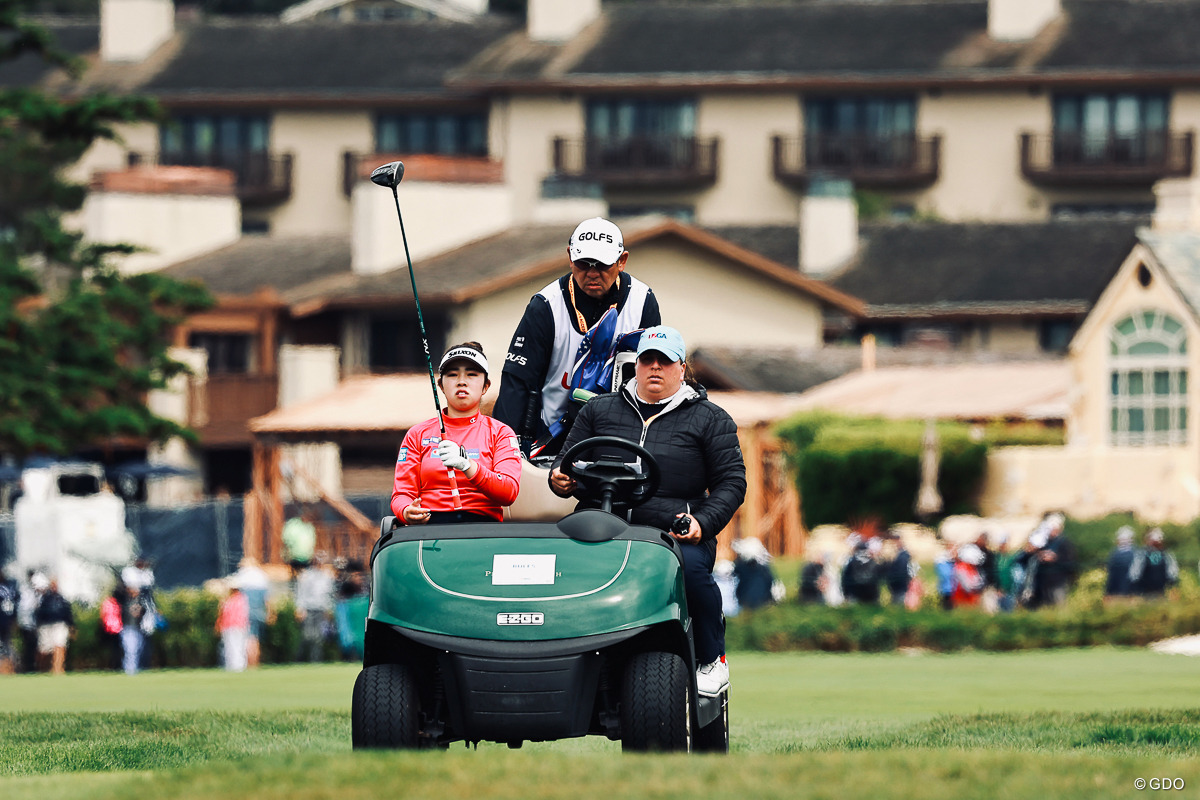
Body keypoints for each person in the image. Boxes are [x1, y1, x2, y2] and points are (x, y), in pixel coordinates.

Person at [549, 326, 746, 697]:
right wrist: (561, 479)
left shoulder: (710, 418)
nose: (655, 368)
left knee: (690, 569)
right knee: (554, 563)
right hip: (599, 521)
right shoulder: (598, 409)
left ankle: (711, 660)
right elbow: (566, 462)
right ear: (636, 365)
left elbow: (732, 482)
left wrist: (702, 522)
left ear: (681, 368)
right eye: (647, 360)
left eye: (665, 361)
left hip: (672, 530)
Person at [493, 217, 661, 457]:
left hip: (620, 437)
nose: (592, 273)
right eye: (584, 263)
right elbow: (517, 383)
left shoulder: (643, 301)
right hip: (550, 436)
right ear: (570, 257)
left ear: (621, 261)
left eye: (601, 264)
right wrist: (506, 451)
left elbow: (653, 376)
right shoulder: (545, 305)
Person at [392, 342, 522, 525]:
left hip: (484, 532)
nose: (462, 381)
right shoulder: (417, 434)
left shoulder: (501, 433)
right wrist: (406, 511)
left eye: (472, 374)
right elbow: (402, 494)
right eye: (452, 375)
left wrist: (467, 465)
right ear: (441, 386)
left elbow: (508, 492)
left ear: (486, 386)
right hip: (429, 529)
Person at [294, 555, 334, 662]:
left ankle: (315, 660)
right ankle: (300, 659)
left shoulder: (325, 577)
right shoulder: (306, 576)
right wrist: (300, 608)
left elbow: (328, 594)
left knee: (318, 637)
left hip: (320, 609)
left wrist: (328, 608)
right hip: (308, 609)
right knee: (306, 635)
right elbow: (300, 593)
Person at [232, 557, 270, 668]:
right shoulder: (261, 576)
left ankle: (250, 663)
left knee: (249, 639)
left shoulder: (242, 576)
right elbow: (267, 599)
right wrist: (269, 613)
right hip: (259, 612)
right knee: (255, 639)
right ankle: (255, 663)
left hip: (245, 613)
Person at [1035, 512, 1076, 607]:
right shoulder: (1044, 542)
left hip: (1058, 582)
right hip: (1044, 582)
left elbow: (1070, 563)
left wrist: (1055, 559)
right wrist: (1040, 555)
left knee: (1059, 606)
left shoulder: (1065, 543)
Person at [34, 577, 73, 675]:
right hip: (46, 626)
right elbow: (39, 614)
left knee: (59, 646)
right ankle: (43, 669)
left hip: (59, 624)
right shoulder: (44, 599)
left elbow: (68, 613)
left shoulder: (62, 599)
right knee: (44, 650)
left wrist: (71, 626)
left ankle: (58, 669)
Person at [1130, 528, 1180, 598]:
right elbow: (1135, 571)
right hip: (1145, 590)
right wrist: (1135, 584)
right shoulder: (1142, 553)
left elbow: (1172, 570)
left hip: (1161, 590)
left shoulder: (1166, 553)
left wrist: (1172, 581)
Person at [731, 536, 776, 611]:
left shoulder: (739, 566)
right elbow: (771, 583)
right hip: (763, 602)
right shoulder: (764, 568)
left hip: (744, 602)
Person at [215, 584, 250, 672]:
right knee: (235, 647)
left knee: (234, 647)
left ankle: (236, 667)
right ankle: (235, 666)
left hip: (233, 626)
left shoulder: (230, 600)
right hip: (237, 626)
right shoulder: (242, 599)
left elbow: (223, 614)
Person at [841, 539, 883, 605]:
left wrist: (846, 594)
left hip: (855, 592)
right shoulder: (872, 561)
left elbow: (845, 578)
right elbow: (879, 576)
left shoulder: (852, 562)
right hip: (871, 593)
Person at [1104, 526, 1139, 599]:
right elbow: (1111, 573)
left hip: (1132, 588)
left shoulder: (1137, 553)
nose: (1124, 541)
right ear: (1118, 540)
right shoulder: (1114, 553)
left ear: (1131, 540)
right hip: (1116, 587)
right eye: (1122, 539)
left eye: (1127, 539)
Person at [884, 531, 916, 607]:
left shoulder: (904, 555)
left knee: (899, 601)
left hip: (900, 583)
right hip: (895, 583)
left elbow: (902, 570)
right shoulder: (896, 554)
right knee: (896, 600)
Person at [951, 543, 986, 608]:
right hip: (962, 601)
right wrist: (977, 586)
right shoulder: (961, 568)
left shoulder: (973, 568)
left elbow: (980, 581)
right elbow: (967, 587)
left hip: (972, 602)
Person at [0, 566, 17, 675]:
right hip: (8, 621)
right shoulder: (9, 589)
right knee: (7, 646)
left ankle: (4, 669)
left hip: (2, 620)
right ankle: (9, 669)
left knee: (3, 647)